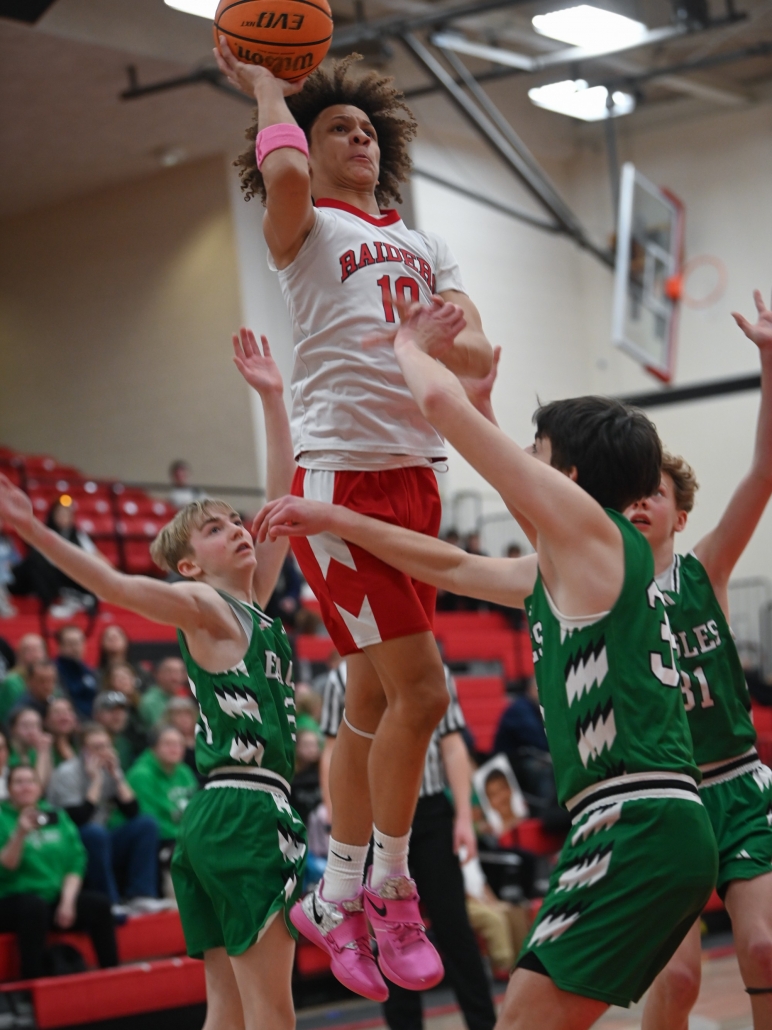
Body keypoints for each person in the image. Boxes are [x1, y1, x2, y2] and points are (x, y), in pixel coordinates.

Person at [254, 299, 719, 1029]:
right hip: (646, 820)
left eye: (536, 451)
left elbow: (437, 405)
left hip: (634, 818)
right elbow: (452, 565)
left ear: (569, 474)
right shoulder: (580, 564)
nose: (524, 459)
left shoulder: (594, 538)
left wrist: (410, 346)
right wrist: (339, 520)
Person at [214, 41, 493, 1000]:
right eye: (340, 127)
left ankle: (333, 895)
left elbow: (478, 353)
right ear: (309, 143)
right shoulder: (304, 225)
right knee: (424, 692)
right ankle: (391, 887)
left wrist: (442, 332)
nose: (360, 140)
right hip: (340, 486)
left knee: (372, 701)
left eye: (370, 129)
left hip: (419, 477)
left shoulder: (424, 242)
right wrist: (267, 85)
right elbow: (286, 171)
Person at [0, 328, 306, 1030]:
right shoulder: (205, 604)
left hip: (213, 816)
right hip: (246, 810)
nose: (238, 528)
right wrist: (36, 532)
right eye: (216, 529)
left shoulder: (251, 604)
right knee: (271, 1013)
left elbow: (279, 498)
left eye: (235, 521)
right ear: (190, 566)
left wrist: (272, 399)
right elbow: (114, 585)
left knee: (227, 1012)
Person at [627, 293, 772, 1030]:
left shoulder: (705, 570)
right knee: (679, 978)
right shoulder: (609, 593)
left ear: (678, 514)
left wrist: (769, 361)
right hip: (667, 797)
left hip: (737, 783)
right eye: (630, 494)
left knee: (765, 948)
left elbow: (764, 471)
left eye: (654, 492)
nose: (640, 502)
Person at [320, 659, 497, 1030]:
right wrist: (341, 823)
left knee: (455, 927)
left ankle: (484, 1023)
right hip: (371, 818)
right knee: (389, 936)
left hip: (431, 814)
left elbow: (452, 746)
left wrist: (464, 817)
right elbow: (334, 750)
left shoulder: (434, 669)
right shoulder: (341, 677)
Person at [0, 765, 118, 980]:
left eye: (31, 781)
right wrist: (19, 833)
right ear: (9, 789)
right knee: (34, 908)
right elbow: (6, 869)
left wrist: (67, 901)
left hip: (52, 898)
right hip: (11, 900)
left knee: (99, 905)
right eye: (19, 782)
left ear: (39, 788)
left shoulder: (55, 815)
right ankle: (33, 984)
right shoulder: (2, 817)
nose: (26, 787)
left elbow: (75, 861)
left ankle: (112, 976)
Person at [47, 723, 163, 917]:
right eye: (97, 747)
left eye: (107, 746)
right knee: (95, 833)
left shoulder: (110, 769)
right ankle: (110, 901)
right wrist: (96, 781)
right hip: (72, 841)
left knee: (146, 824)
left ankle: (141, 894)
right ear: (83, 750)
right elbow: (78, 819)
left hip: (101, 837)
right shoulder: (67, 773)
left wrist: (117, 777)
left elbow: (132, 811)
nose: (104, 752)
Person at [127, 727, 199, 898]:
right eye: (168, 744)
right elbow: (150, 820)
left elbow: (196, 811)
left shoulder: (184, 772)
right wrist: (186, 835)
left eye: (179, 744)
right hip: (156, 840)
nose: (175, 749)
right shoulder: (141, 775)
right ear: (153, 748)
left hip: (181, 835)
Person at [10, 498, 102, 618]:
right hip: (46, 575)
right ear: (53, 515)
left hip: (69, 575)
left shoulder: (78, 535)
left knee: (89, 568)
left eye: (67, 514)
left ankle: (84, 600)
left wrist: (113, 572)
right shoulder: (43, 533)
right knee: (34, 564)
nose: (63, 517)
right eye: (60, 513)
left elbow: (96, 556)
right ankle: (51, 603)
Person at [0, 633, 46, 725]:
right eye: (29, 650)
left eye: (37, 649)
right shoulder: (11, 681)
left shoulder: (52, 676)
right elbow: (8, 717)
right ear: (19, 655)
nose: (35, 654)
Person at [93, 691, 143, 773]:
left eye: (121, 710)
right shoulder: (89, 744)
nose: (117, 716)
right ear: (97, 715)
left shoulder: (126, 743)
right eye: (111, 710)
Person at [54, 625, 98, 720]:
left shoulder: (89, 672)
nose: (75, 648)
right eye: (70, 644)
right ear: (60, 646)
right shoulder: (53, 671)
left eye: (78, 643)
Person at [7, 707, 53, 789]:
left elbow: (48, 784)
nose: (32, 731)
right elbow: (37, 787)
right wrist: (42, 752)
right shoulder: (7, 752)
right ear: (13, 729)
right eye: (25, 726)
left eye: (36, 725)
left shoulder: (33, 751)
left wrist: (46, 752)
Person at [97, 624, 151, 692]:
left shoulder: (140, 672)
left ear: (126, 641)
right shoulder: (97, 675)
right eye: (108, 637)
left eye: (116, 636)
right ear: (102, 643)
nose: (113, 639)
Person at [139, 656, 188, 728]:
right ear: (158, 674)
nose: (175, 678)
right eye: (169, 672)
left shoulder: (183, 698)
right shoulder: (150, 701)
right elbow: (160, 730)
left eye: (179, 672)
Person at [164, 696, 201, 782]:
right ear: (170, 718)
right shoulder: (166, 741)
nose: (184, 719)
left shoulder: (203, 737)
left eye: (188, 714)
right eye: (178, 715)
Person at [45, 697, 79, 768]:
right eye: (57, 713)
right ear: (46, 721)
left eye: (68, 712)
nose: (64, 717)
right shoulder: (40, 750)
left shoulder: (83, 746)